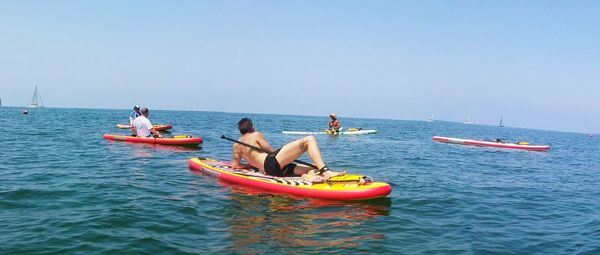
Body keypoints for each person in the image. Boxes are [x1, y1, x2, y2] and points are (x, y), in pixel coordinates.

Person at [230, 118, 344, 182]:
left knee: (313, 167)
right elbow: (272, 152)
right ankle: (326, 172)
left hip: (271, 170)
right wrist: (289, 154)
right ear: (252, 127)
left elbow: (235, 165)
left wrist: (252, 165)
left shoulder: (236, 145)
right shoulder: (255, 134)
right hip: (272, 163)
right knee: (309, 140)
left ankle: (308, 177)